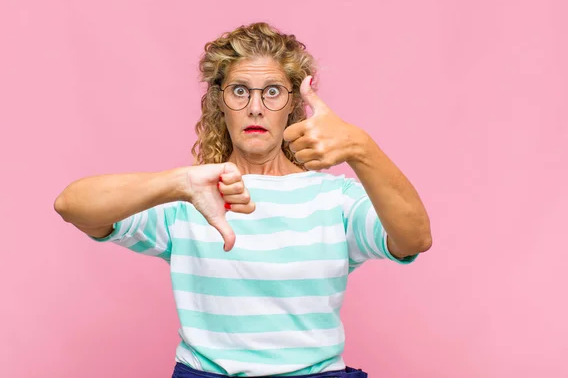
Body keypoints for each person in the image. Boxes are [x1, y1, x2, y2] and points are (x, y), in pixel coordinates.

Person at [54, 22, 432, 377]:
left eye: (272, 91)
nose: (255, 107)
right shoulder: (192, 193)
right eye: (240, 91)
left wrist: (360, 147)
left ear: (292, 104)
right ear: (220, 102)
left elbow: (414, 239)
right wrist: (179, 182)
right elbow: (72, 205)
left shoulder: (334, 199)